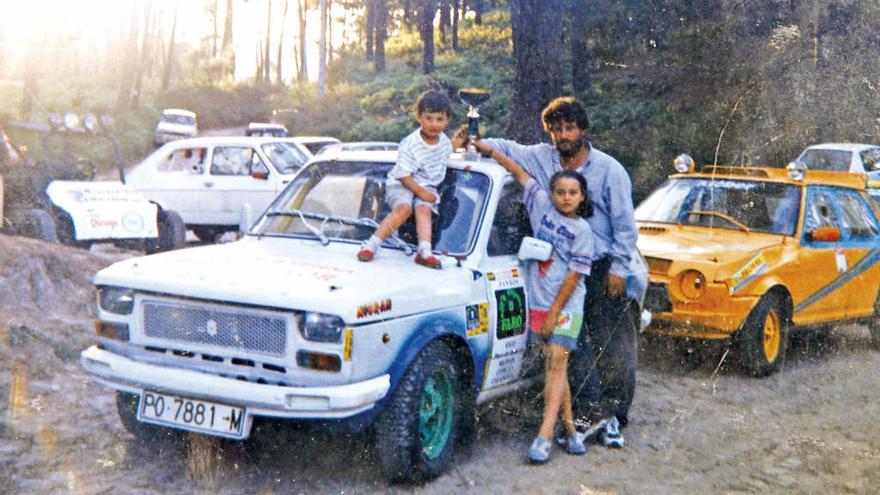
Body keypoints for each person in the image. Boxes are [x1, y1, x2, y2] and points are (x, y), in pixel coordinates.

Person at [456, 96, 642, 448]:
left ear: (583, 130)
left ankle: (617, 414)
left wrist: (619, 267)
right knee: (574, 344)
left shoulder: (609, 170)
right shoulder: (543, 157)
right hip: (561, 270)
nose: (562, 134)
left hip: (602, 264)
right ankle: (589, 416)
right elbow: (506, 149)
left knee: (612, 341)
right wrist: (472, 139)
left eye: (569, 127)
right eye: (556, 128)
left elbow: (625, 226)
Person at [472, 138, 595, 464]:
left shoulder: (583, 232)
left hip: (564, 306)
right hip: (537, 302)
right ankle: (570, 430)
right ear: (551, 193)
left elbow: (574, 277)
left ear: (582, 197)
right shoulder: (539, 203)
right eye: (560, 192)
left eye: (572, 193)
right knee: (557, 367)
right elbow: (519, 172)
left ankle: (544, 434)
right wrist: (492, 152)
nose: (565, 198)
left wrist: (555, 313)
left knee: (555, 364)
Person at [357, 89, 453, 268]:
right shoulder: (410, 142)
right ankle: (371, 245)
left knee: (424, 209)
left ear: (448, 120)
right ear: (419, 117)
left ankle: (424, 252)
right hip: (402, 182)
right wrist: (421, 192)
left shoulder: (445, 142)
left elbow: (443, 154)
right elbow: (402, 175)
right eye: (428, 118)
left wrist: (463, 140)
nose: (434, 124)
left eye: (440, 119)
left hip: (426, 184)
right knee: (404, 208)